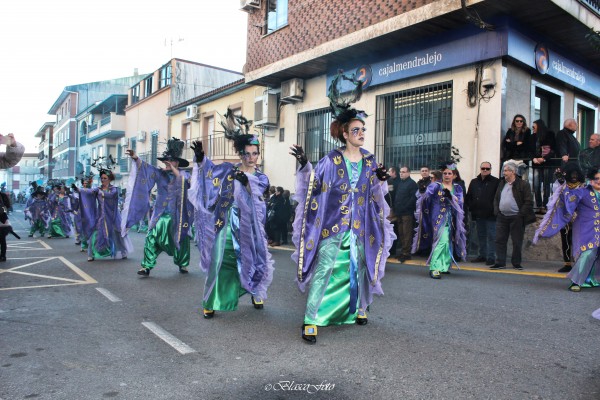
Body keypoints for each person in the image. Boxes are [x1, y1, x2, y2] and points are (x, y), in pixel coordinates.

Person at [289, 72, 394, 344]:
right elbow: (313, 186)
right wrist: (304, 165)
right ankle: (311, 320)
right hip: (332, 228)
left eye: (363, 130)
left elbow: (376, 195)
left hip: (360, 228)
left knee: (360, 268)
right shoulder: (330, 160)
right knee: (325, 270)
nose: (361, 134)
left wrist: (381, 181)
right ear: (344, 134)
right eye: (356, 130)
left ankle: (358, 309)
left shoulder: (370, 161)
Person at [188, 108, 273, 319]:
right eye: (247, 153)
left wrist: (246, 184)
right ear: (240, 153)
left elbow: (258, 194)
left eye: (255, 153)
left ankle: (254, 292)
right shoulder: (228, 170)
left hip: (249, 226)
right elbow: (209, 174)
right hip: (225, 222)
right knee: (220, 259)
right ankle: (211, 300)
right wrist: (200, 159)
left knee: (251, 260)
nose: (251, 157)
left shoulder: (261, 177)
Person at [122, 138, 194, 276]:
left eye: (171, 161)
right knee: (151, 237)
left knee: (182, 239)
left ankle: (183, 264)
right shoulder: (159, 173)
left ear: (177, 163)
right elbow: (145, 167)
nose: (167, 163)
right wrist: (135, 157)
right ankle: (146, 266)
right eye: (166, 160)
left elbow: (184, 182)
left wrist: (173, 169)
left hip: (178, 216)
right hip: (160, 214)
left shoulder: (184, 174)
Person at [534, 167, 600, 291]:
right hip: (586, 228)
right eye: (596, 178)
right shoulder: (583, 191)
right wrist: (562, 181)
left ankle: (589, 279)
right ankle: (576, 281)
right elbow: (569, 197)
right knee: (588, 253)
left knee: (597, 254)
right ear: (591, 180)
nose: (598, 181)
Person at [412, 163, 467, 279]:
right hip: (438, 217)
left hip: (452, 218)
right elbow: (426, 197)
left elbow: (460, 201)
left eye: (449, 173)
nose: (447, 175)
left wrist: (452, 197)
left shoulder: (457, 187)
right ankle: (435, 267)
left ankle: (444, 266)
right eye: (445, 173)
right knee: (442, 240)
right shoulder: (436, 186)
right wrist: (423, 191)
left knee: (448, 241)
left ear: (454, 175)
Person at [76, 167, 132, 262]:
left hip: (113, 215)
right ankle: (91, 254)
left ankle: (123, 251)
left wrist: (101, 192)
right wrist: (79, 190)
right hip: (101, 216)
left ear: (109, 179)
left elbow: (110, 196)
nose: (103, 180)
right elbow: (89, 191)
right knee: (95, 234)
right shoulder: (97, 189)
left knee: (117, 234)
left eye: (105, 178)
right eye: (102, 178)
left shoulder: (114, 190)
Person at [491, 161, 536, 271]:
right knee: (499, 240)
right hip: (502, 217)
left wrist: (520, 215)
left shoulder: (523, 184)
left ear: (513, 172)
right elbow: (496, 198)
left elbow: (528, 201)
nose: (504, 173)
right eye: (504, 170)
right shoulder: (502, 183)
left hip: (516, 217)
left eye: (506, 171)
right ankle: (500, 262)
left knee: (517, 241)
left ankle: (516, 263)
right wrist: (497, 211)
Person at [465, 161, 500, 265]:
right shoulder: (474, 181)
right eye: (483, 168)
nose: (485, 170)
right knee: (480, 235)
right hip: (478, 213)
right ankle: (482, 255)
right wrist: (471, 207)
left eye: (487, 169)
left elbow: (498, 198)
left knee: (491, 236)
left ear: (490, 170)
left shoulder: (496, 182)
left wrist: (494, 209)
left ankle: (491, 257)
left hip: (491, 214)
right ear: (480, 169)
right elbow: (469, 196)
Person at [393, 165, 418, 263]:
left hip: (407, 213)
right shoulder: (400, 183)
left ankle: (406, 253)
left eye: (403, 172)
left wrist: (405, 207)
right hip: (398, 212)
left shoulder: (412, 184)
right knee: (401, 233)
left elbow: (413, 199)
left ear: (408, 173)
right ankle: (403, 251)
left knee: (407, 233)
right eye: (400, 172)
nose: (401, 173)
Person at [531, 119, 556, 212]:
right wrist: (533, 158)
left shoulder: (550, 135)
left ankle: (545, 205)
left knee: (546, 184)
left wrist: (544, 158)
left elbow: (553, 149)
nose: (532, 128)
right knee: (536, 185)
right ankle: (538, 205)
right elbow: (530, 150)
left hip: (547, 163)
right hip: (536, 164)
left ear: (539, 126)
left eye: (534, 126)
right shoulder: (532, 137)